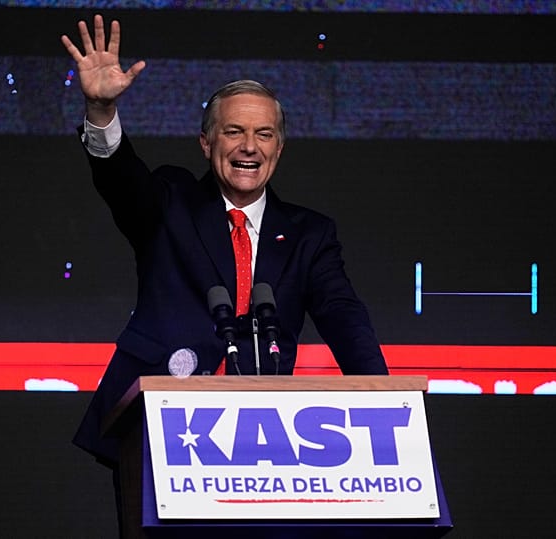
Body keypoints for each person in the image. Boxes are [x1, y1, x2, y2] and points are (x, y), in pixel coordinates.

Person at [61, 12, 389, 522]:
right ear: (207, 143)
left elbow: (344, 316)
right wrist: (101, 109)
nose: (249, 147)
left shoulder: (309, 233)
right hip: (158, 430)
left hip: (266, 445)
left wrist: (383, 400)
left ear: (279, 147)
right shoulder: (171, 202)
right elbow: (121, 182)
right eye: (233, 131)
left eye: (263, 134)